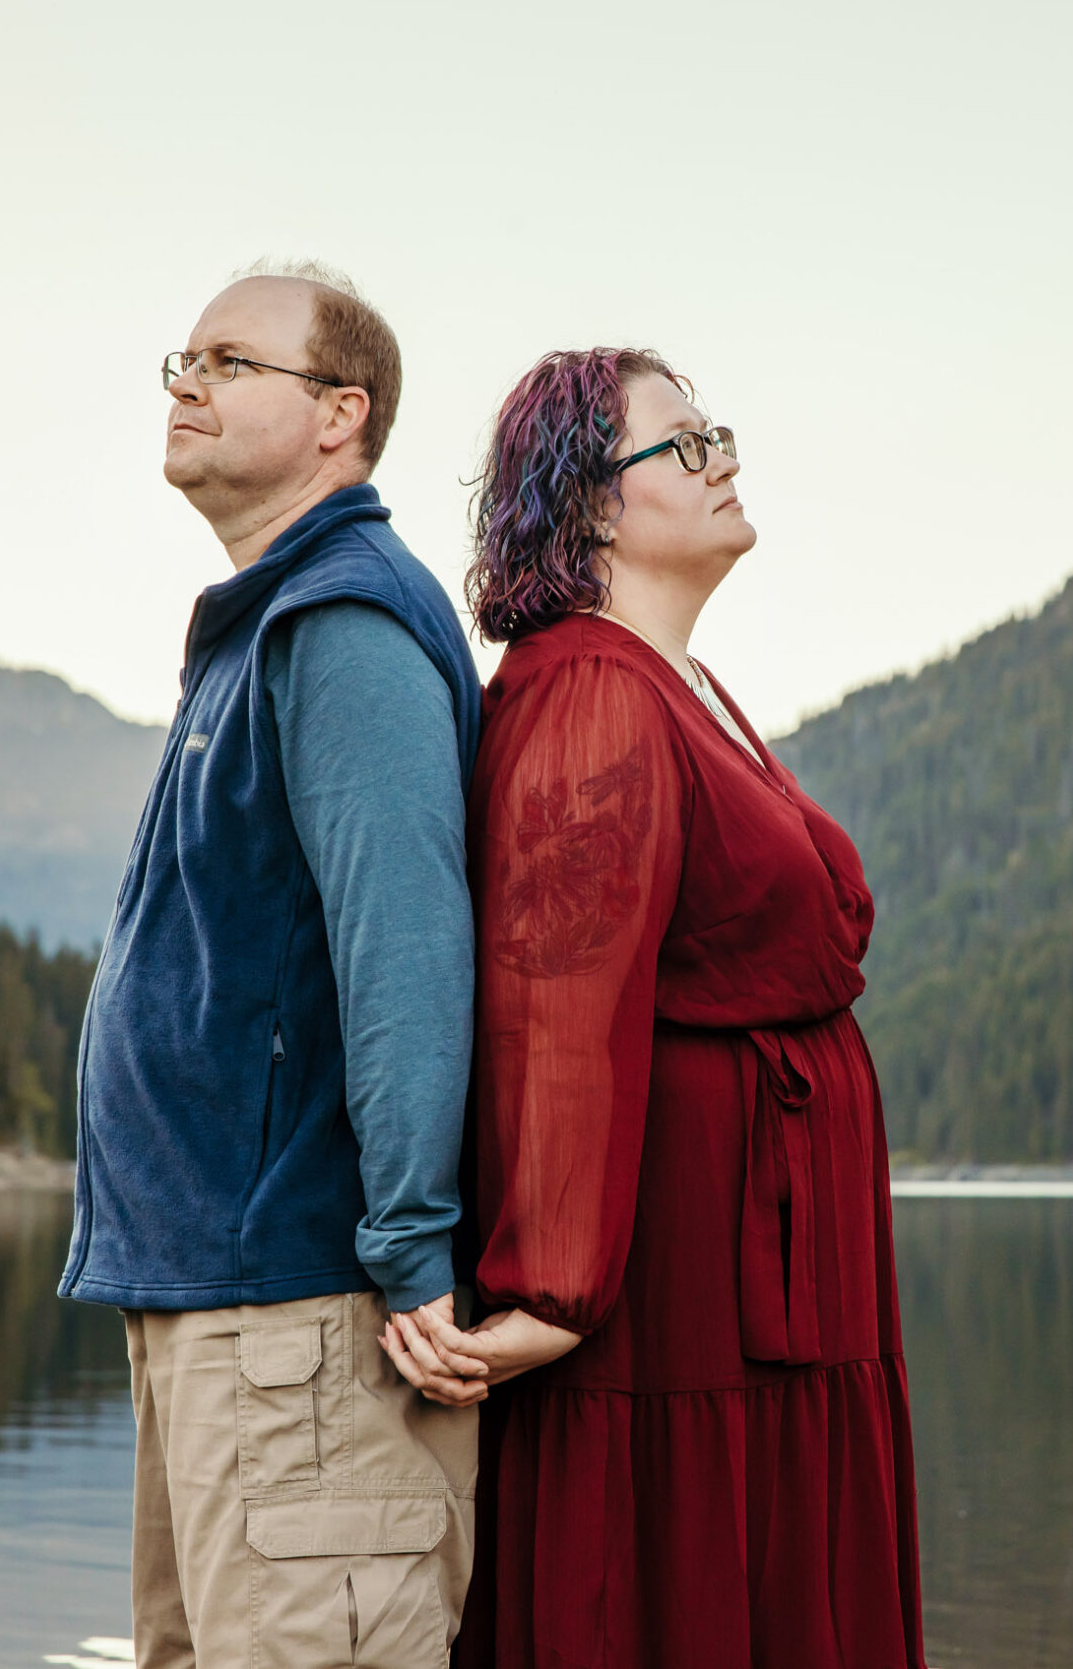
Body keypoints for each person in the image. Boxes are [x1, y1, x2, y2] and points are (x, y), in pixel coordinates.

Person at [382, 348, 925, 1667]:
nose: (725, 455)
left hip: (764, 1307)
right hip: (681, 1308)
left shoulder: (674, 684)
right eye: (685, 444)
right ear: (589, 506)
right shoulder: (587, 689)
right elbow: (557, 990)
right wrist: (550, 1300)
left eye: (718, 432)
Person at [60, 261, 485, 1668]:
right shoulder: (263, 625)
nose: (186, 379)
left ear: (337, 416)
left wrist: (412, 1247)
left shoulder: (343, 624)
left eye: (230, 360)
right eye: (181, 357)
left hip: (306, 1329)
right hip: (217, 1314)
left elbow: (406, 949)